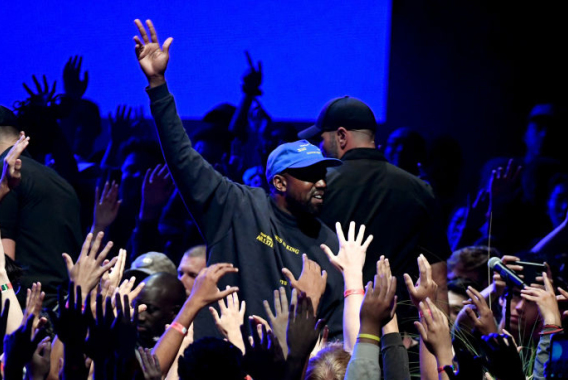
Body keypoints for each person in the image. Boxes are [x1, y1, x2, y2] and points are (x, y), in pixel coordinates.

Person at [133, 19, 344, 338]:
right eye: (309, 175)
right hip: (216, 371)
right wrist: (159, 86)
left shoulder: (331, 247)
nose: (322, 183)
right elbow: (182, 157)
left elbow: (337, 334)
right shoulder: (236, 206)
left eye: (322, 174)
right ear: (280, 183)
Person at [298, 96, 450, 311]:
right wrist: (441, 342)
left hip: (333, 328)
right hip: (398, 331)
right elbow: (437, 278)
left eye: (322, 139)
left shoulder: (318, 186)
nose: (320, 148)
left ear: (341, 136)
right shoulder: (420, 190)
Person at [0, 105, 82, 302]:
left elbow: (2, 260)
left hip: (25, 309)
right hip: (61, 306)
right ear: (21, 136)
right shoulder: (58, 180)